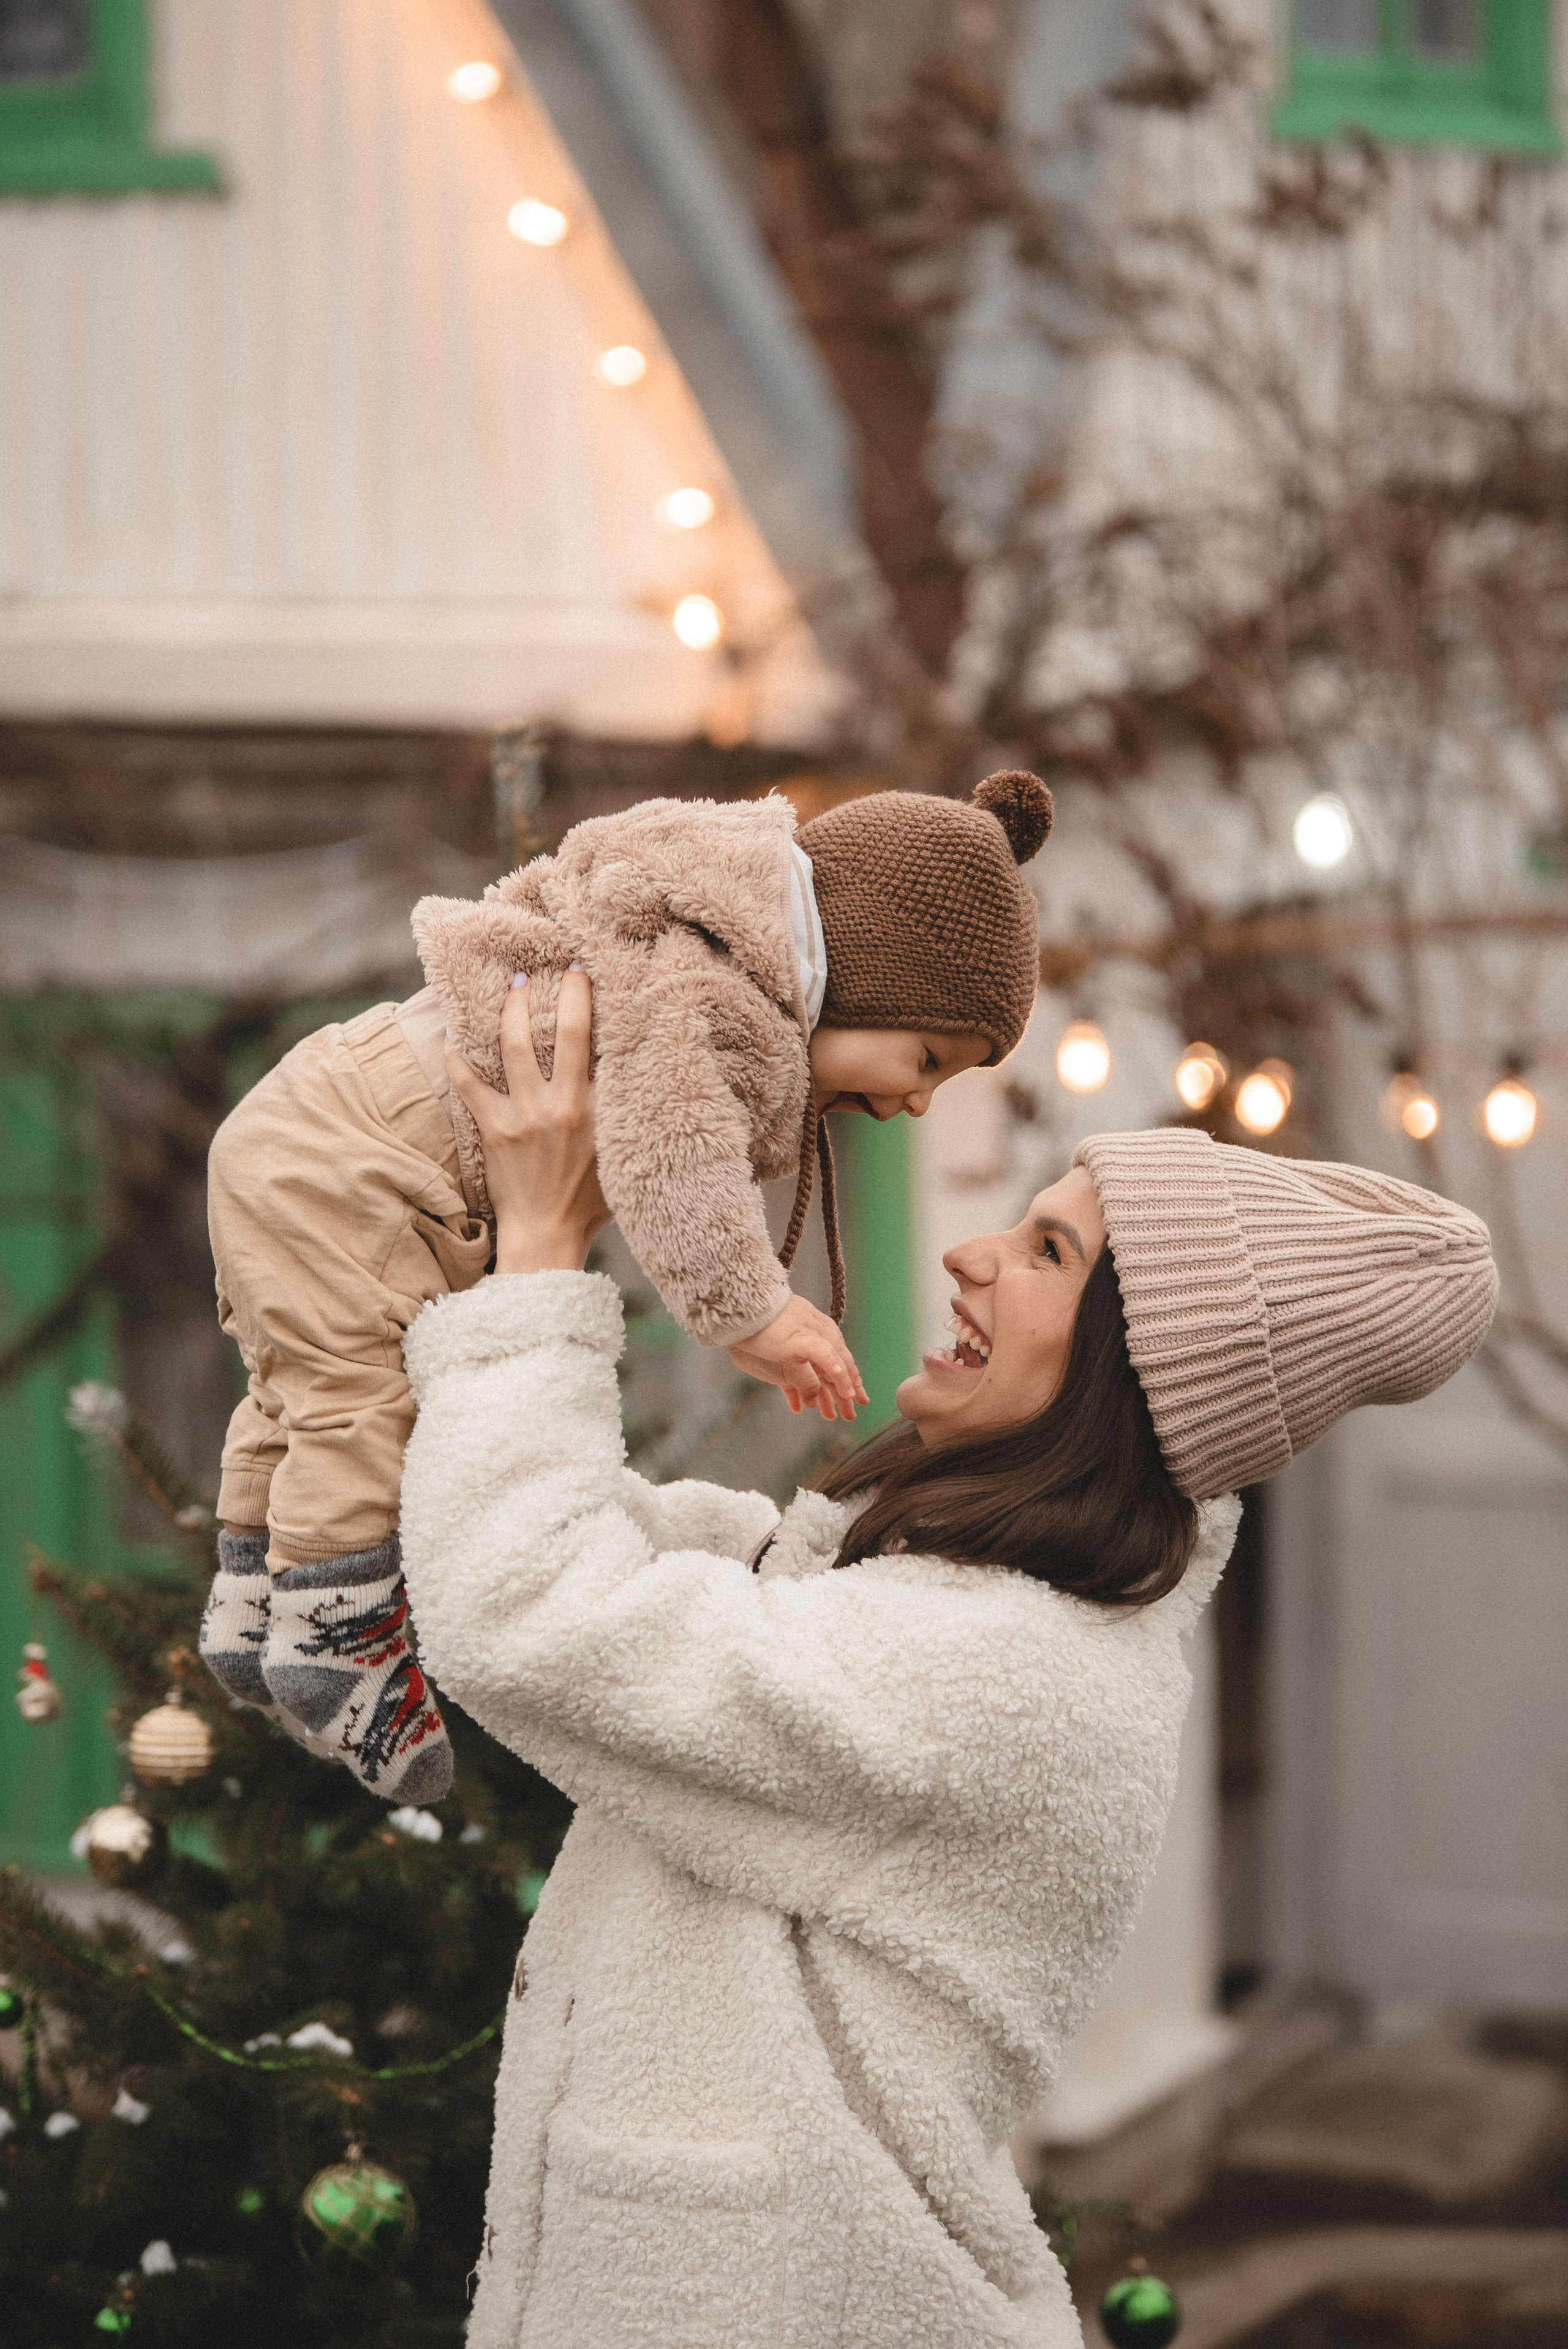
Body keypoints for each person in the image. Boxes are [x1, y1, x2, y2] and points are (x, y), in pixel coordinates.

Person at [398, 975, 1497, 2349]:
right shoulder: (931, 1593)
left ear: (1133, 1371)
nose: (973, 1254)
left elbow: (529, 1605)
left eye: (1047, 1255)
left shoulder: (1005, 1670)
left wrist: (547, 1249)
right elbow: (626, 1557)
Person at [198, 771, 1052, 1800]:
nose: (915, 1102)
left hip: (319, 1119)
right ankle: (338, 1629)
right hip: (361, 1162)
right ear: (864, 969)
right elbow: (670, 1150)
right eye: (926, 1058)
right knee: (355, 1394)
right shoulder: (717, 998)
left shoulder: (694, 930)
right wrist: (757, 1311)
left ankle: (253, 1597)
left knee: (298, 1382)